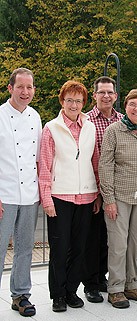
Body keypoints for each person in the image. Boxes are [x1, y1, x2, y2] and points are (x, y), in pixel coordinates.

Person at [39, 80, 101, 312]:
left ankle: (71, 291)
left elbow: (94, 162)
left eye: (78, 100)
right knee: (60, 247)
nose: (73, 104)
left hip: (86, 196)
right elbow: (44, 166)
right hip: (60, 197)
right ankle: (58, 295)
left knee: (79, 248)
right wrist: (46, 199)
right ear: (62, 101)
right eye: (69, 100)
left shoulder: (90, 127)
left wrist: (98, 194)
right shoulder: (51, 128)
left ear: (84, 103)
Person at [99, 89, 137, 309]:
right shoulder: (113, 131)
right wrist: (109, 199)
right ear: (125, 106)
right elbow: (105, 165)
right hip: (119, 196)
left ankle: (132, 283)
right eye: (133, 104)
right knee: (117, 244)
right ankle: (115, 288)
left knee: (135, 243)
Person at [0, 68, 41, 317]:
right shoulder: (0, 115)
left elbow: (37, 159)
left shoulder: (35, 117)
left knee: (25, 247)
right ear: (10, 88)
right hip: (4, 194)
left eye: (29, 87)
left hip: (30, 194)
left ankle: (20, 295)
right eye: (20, 87)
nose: (25, 92)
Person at [83, 76, 123, 304]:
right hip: (93, 189)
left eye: (110, 92)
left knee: (111, 239)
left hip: (118, 191)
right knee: (93, 238)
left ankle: (103, 278)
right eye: (102, 92)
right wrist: (97, 192)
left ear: (116, 96)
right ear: (95, 95)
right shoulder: (86, 120)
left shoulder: (123, 121)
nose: (106, 96)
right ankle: (91, 283)